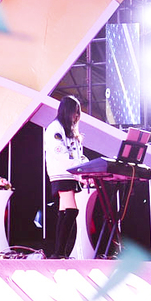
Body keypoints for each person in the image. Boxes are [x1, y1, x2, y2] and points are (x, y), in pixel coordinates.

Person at [44, 95, 86, 258]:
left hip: (70, 173)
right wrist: (79, 167)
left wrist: (86, 165)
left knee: (64, 211)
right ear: (67, 111)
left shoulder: (69, 130)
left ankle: (58, 252)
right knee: (71, 211)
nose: (77, 116)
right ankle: (60, 252)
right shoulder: (55, 128)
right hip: (62, 173)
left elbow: (78, 155)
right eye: (75, 112)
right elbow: (60, 153)